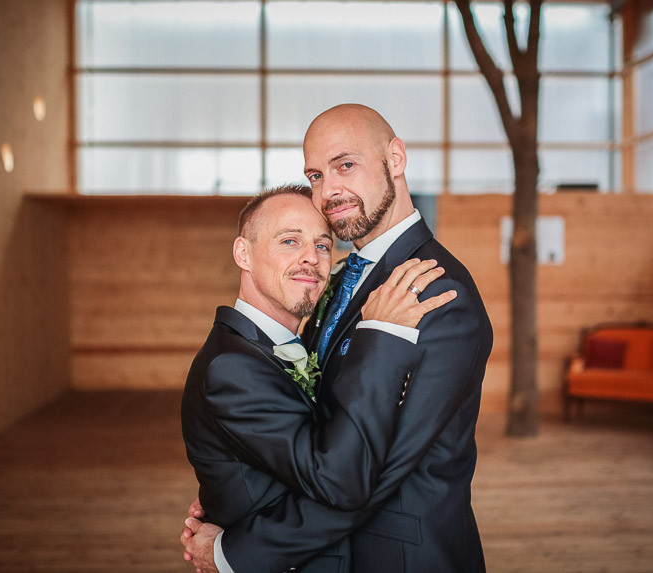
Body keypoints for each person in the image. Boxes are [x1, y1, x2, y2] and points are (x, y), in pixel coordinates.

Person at [183, 104, 493, 573]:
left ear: (395, 158)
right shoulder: (348, 278)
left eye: (345, 165)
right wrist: (238, 485)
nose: (328, 191)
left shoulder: (435, 292)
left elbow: (373, 474)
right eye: (315, 175)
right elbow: (321, 427)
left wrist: (238, 549)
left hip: (404, 558)